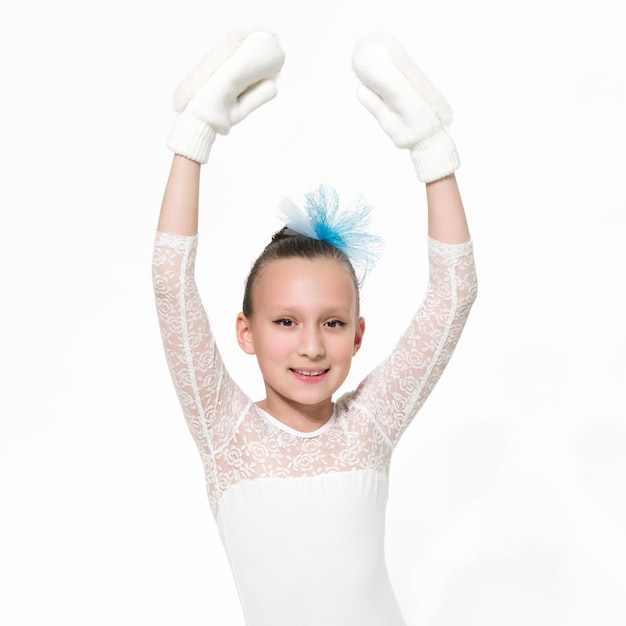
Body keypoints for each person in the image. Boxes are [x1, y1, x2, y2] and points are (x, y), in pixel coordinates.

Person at [153, 25, 477, 626]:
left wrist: (431, 150)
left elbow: (454, 295)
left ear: (357, 336)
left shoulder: (371, 424)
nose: (310, 345)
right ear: (245, 333)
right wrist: (195, 135)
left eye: (332, 322)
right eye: (284, 321)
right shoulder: (225, 433)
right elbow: (171, 284)